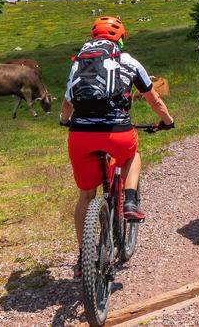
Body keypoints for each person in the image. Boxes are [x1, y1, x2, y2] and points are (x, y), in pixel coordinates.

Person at [60, 16, 174, 274]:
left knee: (86, 196)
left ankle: (83, 258)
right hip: (117, 133)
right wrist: (167, 120)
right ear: (121, 38)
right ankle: (130, 201)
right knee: (133, 156)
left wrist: (64, 121)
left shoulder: (79, 62)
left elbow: (68, 102)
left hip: (81, 135)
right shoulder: (129, 61)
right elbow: (153, 99)